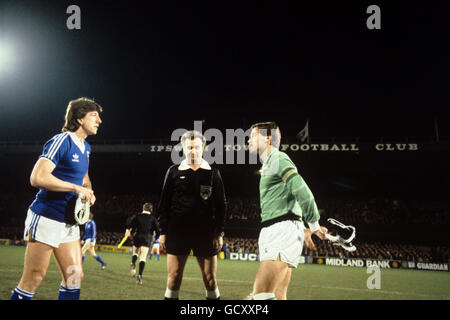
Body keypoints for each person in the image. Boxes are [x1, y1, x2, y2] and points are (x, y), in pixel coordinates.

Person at [10, 97, 102, 300]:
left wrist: (89, 190)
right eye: (94, 116)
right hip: (46, 217)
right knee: (34, 277)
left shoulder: (86, 148)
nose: (99, 121)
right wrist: (75, 188)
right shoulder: (62, 140)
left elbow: (84, 177)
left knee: (74, 276)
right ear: (79, 118)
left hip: (69, 222)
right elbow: (37, 177)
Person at [247, 122, 328, 300]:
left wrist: (314, 224)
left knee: (260, 296)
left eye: (253, 136)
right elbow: (292, 194)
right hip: (282, 229)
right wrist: (303, 228)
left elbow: (301, 189)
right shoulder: (269, 163)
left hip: (280, 231)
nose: (249, 139)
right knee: (278, 295)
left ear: (268, 137)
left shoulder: (278, 158)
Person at [157, 130, 227, 300]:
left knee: (210, 280)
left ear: (203, 148)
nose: (193, 151)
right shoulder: (174, 171)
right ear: (183, 148)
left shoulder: (213, 172)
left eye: (196, 147)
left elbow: (221, 205)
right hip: (177, 232)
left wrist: (219, 233)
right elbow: (164, 203)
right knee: (173, 278)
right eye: (189, 147)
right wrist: (163, 232)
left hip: (205, 233)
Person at [124, 202, 159, 284]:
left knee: (135, 252)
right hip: (147, 237)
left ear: (143, 209)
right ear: (151, 210)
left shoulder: (137, 216)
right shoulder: (153, 218)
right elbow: (158, 230)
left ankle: (133, 263)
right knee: (143, 257)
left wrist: (127, 230)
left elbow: (129, 221)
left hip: (137, 236)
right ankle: (139, 276)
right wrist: (157, 237)